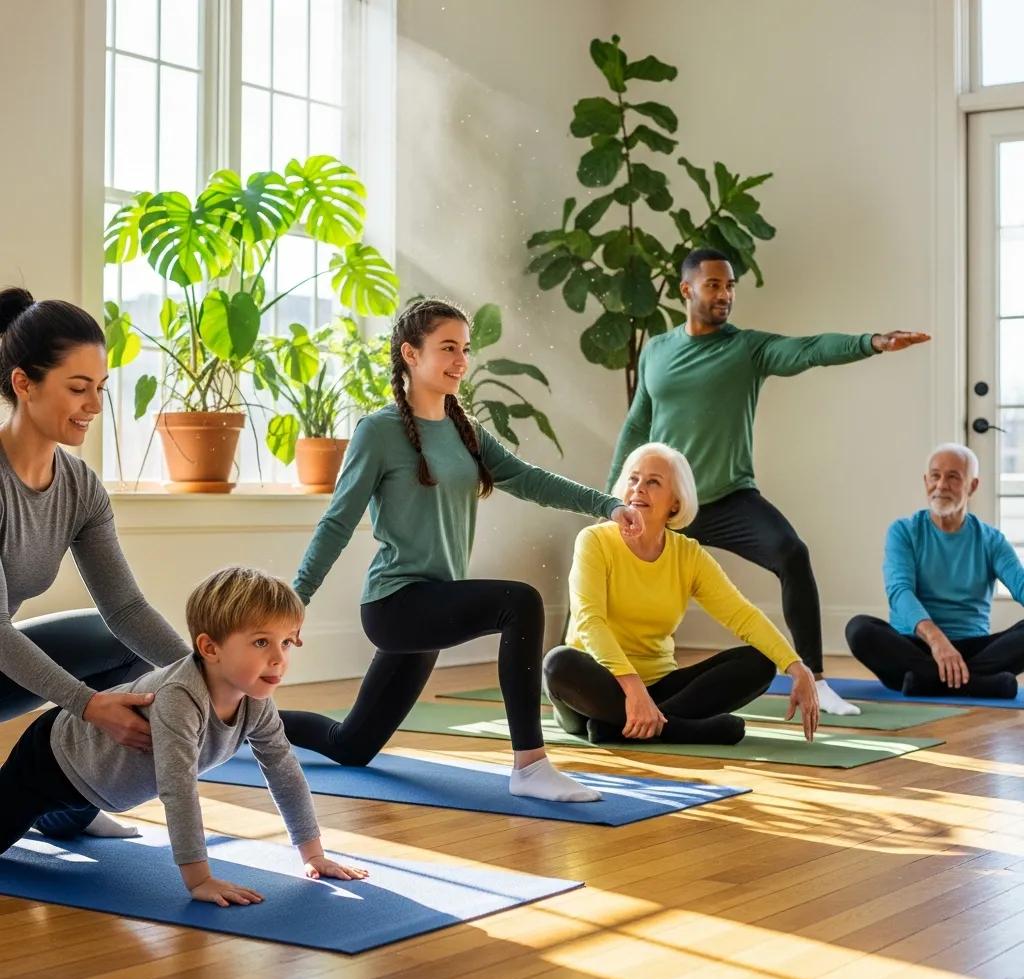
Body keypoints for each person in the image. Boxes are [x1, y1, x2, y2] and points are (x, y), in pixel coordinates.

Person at [280, 298, 645, 803]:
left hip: (431, 603)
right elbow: (338, 522)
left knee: (352, 745)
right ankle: (530, 765)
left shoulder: (466, 431)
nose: (461, 360)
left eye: (465, 349)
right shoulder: (378, 432)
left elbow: (532, 480)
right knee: (519, 602)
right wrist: (295, 599)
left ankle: (236, 718)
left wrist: (607, 505)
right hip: (394, 604)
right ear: (411, 353)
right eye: (447, 347)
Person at [608, 248, 931, 717]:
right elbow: (638, 425)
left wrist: (873, 341)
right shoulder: (656, 351)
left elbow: (808, 350)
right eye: (714, 284)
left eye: (731, 285)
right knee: (609, 567)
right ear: (687, 290)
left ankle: (817, 682)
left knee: (792, 554)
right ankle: (591, 671)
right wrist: (612, 496)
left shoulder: (747, 348)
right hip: (666, 504)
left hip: (730, 499)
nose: (725, 294)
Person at [0, 566, 368, 906]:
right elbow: (177, 789)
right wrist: (199, 880)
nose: (279, 658)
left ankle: (62, 816)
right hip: (50, 763)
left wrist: (313, 854)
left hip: (96, 790)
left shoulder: (255, 700)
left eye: (286, 642)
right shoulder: (181, 698)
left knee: (63, 825)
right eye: (261, 642)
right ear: (210, 648)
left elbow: (284, 772)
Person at [0, 287, 193, 840]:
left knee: (120, 647)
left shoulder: (80, 486)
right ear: (24, 383)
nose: (94, 404)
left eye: (100, 389)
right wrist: (88, 706)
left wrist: (205, 678)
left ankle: (67, 807)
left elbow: (126, 608)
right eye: (78, 388)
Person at [544, 443, 820, 745]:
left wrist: (797, 667)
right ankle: (676, 728)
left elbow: (742, 614)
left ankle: (627, 728)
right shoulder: (594, 541)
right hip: (596, 689)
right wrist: (633, 689)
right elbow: (589, 621)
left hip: (660, 687)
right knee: (558, 663)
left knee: (760, 662)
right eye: (633, 479)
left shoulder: (688, 555)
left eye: (653, 482)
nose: (638, 489)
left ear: (675, 503)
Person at [846, 443, 1024, 698]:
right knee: (859, 629)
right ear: (925, 480)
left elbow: (1020, 583)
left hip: (972, 649)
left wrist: (950, 648)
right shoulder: (904, 531)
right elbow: (900, 592)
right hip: (918, 647)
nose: (941, 485)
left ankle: (928, 682)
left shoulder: (991, 540)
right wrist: (937, 641)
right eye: (935, 476)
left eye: (953, 477)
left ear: (972, 485)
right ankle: (979, 684)